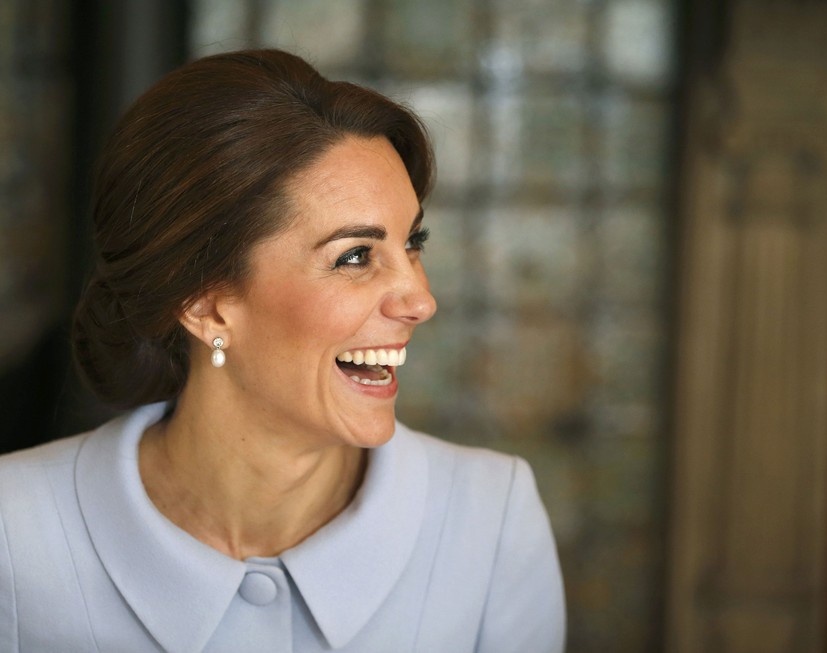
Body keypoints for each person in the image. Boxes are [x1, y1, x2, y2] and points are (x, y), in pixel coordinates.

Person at [0, 49, 565, 652]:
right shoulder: (15, 533)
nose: (420, 300)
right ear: (205, 304)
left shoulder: (490, 519)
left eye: (413, 242)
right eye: (355, 256)